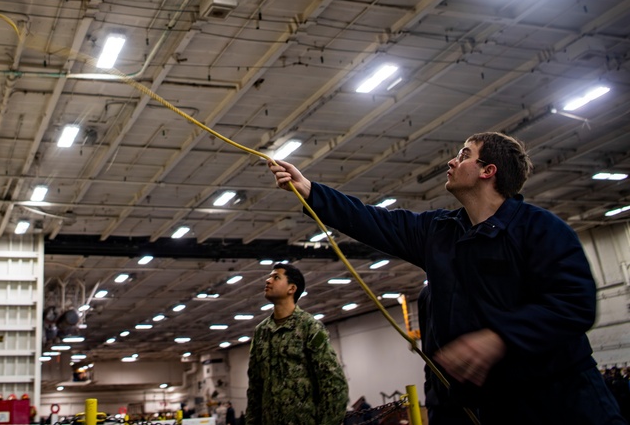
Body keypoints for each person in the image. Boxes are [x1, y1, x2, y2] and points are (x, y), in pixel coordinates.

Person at [268, 131, 627, 425]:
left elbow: (575, 304)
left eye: (464, 154)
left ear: (488, 171)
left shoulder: (541, 229)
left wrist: (499, 338)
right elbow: (374, 220)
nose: (452, 161)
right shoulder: (439, 231)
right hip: (490, 407)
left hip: (562, 404)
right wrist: (311, 190)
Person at [246, 263, 348, 425]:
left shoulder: (309, 326)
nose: (268, 280)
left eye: (276, 277)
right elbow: (255, 388)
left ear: (291, 289)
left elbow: (334, 383)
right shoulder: (261, 332)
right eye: (270, 276)